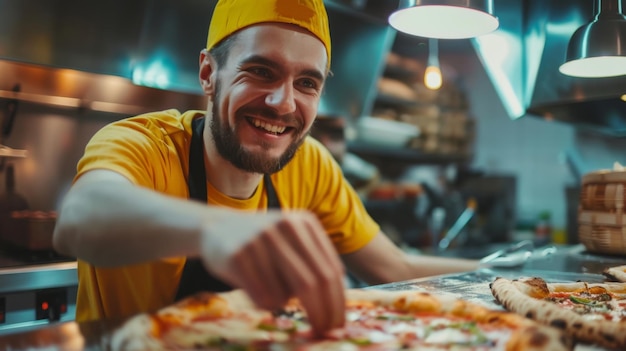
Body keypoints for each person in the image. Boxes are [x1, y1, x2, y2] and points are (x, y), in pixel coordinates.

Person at [52, 0, 479, 336]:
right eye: (260, 71)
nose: (284, 103)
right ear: (208, 73)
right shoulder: (146, 145)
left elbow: (394, 269)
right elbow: (79, 218)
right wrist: (213, 228)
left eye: (307, 83)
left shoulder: (309, 164)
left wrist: (509, 272)